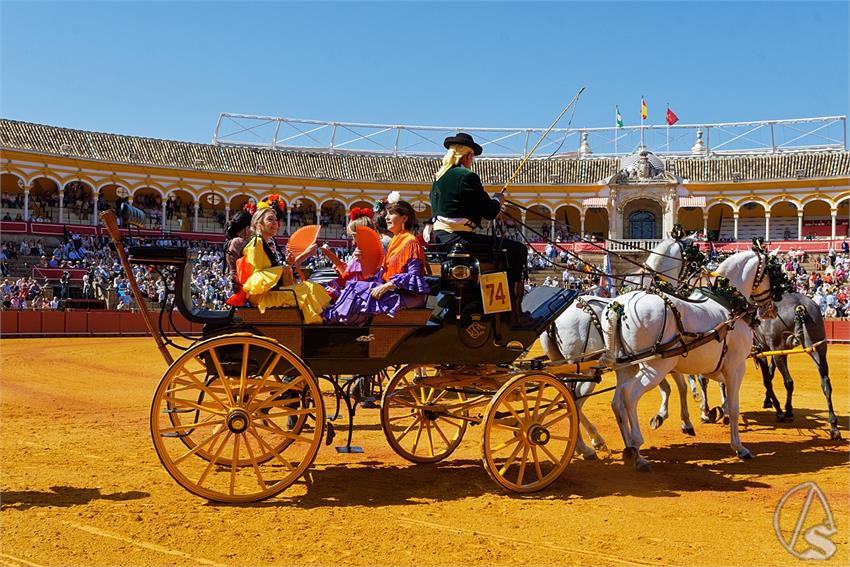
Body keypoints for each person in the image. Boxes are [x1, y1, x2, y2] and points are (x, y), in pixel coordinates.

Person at [429, 132, 531, 326]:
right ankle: (514, 313)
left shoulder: (438, 178)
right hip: (459, 240)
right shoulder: (466, 176)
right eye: (472, 157)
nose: (472, 161)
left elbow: (457, 206)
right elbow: (490, 211)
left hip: (442, 239)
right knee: (518, 250)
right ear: (467, 156)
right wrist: (497, 200)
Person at [323, 197, 429, 325]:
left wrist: (385, 287)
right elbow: (384, 270)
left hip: (409, 296)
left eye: (391, 214)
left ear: (404, 218)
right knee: (355, 288)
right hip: (394, 290)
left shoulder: (410, 242)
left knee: (359, 298)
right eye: (387, 214)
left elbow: (413, 275)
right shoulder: (396, 240)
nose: (386, 218)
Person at [232, 195, 331, 323]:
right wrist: (281, 269)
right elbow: (255, 278)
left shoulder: (267, 244)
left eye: (275, 220)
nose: (274, 223)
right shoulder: (256, 244)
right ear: (258, 223)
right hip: (262, 297)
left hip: (270, 291)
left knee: (313, 287)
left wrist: (286, 266)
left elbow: (273, 273)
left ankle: (326, 319)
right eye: (270, 220)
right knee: (307, 290)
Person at [223, 202, 255, 299]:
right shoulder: (238, 242)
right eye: (252, 227)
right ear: (246, 228)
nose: (253, 231)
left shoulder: (235, 241)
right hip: (243, 288)